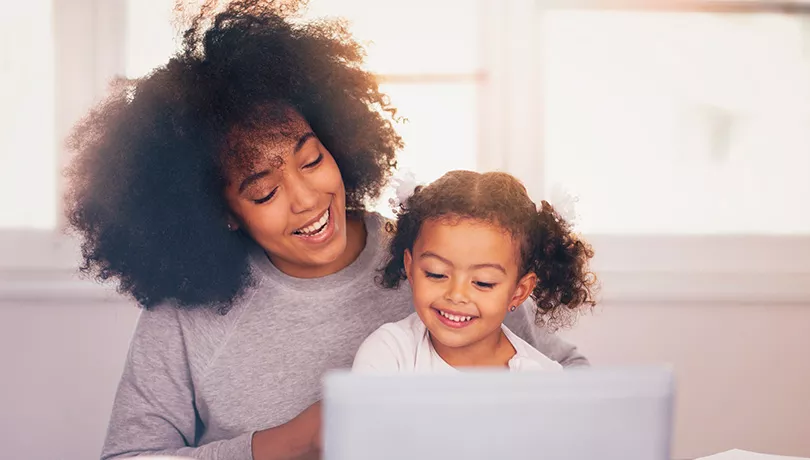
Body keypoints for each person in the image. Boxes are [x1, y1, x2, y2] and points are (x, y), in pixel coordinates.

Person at [64, 1, 590, 459]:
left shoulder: (443, 259)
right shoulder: (187, 311)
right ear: (220, 210)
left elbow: (576, 389)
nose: (307, 199)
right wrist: (279, 446)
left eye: (312, 159)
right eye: (263, 191)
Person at [352, 171, 597, 372]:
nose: (456, 295)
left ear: (518, 292)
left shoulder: (538, 377)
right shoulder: (389, 354)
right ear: (411, 268)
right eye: (436, 274)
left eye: (482, 282)